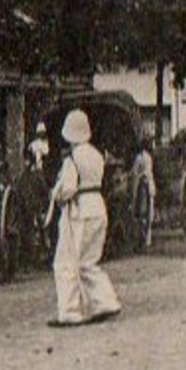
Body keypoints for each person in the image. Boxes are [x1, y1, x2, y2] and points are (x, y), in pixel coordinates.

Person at [48, 109, 123, 328]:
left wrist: (58, 196)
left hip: (78, 210)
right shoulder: (96, 155)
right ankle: (106, 302)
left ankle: (70, 311)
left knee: (65, 262)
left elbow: (69, 188)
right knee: (89, 261)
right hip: (98, 206)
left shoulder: (72, 158)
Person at [130, 138, 158, 246]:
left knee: (142, 212)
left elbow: (135, 171)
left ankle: (142, 238)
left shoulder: (140, 157)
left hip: (143, 185)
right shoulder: (149, 157)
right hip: (150, 184)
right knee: (149, 212)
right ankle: (148, 239)